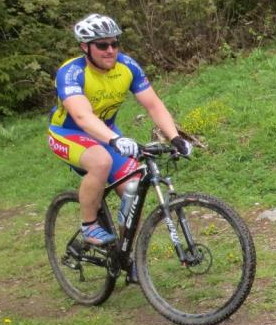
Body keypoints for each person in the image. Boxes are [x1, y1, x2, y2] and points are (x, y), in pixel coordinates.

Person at [47, 14, 193, 246]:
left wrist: (175, 137)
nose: (110, 50)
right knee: (100, 161)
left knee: (133, 188)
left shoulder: (127, 66)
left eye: (114, 43)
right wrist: (115, 139)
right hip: (69, 132)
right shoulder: (72, 72)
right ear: (85, 47)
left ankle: (124, 253)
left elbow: (153, 105)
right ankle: (89, 226)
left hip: (105, 131)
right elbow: (82, 116)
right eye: (102, 45)